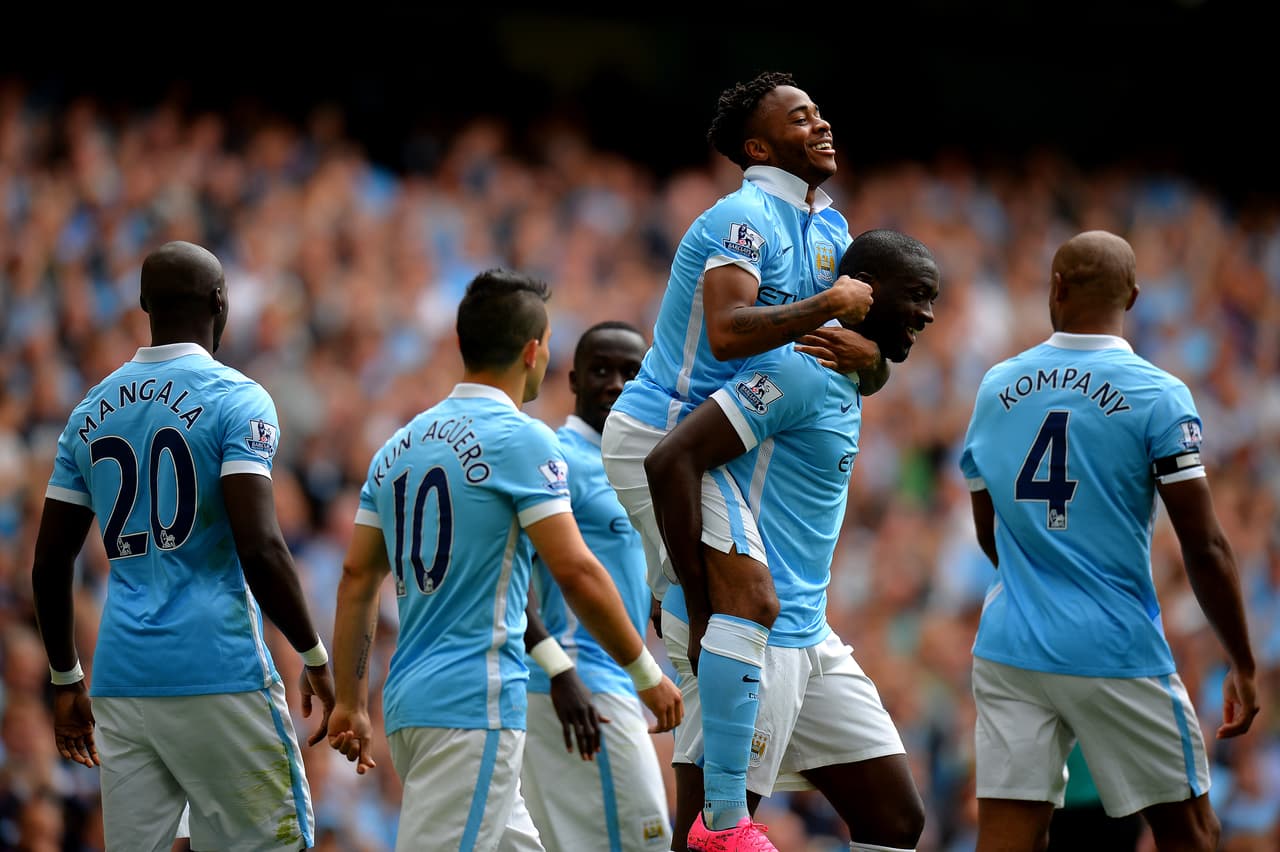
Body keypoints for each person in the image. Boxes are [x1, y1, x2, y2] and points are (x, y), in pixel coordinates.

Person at [602, 70, 883, 848]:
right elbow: (727, 332)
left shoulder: (830, 228)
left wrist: (872, 360)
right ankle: (723, 824)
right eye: (800, 118)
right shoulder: (742, 216)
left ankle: (716, 804)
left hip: (717, 444)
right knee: (748, 603)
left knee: (742, 609)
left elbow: (851, 357)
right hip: (665, 436)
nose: (821, 124)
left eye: (820, 112)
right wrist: (830, 305)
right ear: (758, 147)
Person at [326, 269, 682, 852]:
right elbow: (576, 571)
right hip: (475, 702)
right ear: (533, 352)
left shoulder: (397, 447)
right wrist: (647, 674)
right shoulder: (524, 440)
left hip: (412, 701)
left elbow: (357, 577)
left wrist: (350, 699)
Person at [958, 230, 1260, 852]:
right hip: (1114, 647)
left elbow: (989, 533)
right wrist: (1243, 662)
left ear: (1056, 288)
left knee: (1008, 837)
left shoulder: (995, 387)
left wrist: (1036, 585)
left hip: (1010, 644)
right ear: (1134, 297)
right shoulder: (1158, 395)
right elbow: (1204, 545)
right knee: (1192, 833)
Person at [30, 240, 336, 851]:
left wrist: (66, 679)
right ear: (220, 302)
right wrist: (314, 655)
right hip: (217, 667)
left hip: (121, 678)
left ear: (145, 304)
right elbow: (260, 545)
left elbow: (49, 562)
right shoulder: (237, 398)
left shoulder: (89, 411)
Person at [646, 230, 938, 852]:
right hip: (751, 637)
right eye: (917, 295)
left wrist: (875, 363)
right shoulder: (800, 366)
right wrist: (697, 602)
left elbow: (872, 367)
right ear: (867, 291)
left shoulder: (848, 367)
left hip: (810, 633)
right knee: (708, 840)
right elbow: (673, 459)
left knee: (896, 820)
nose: (927, 314)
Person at [520, 321, 673, 851]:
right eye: (601, 370)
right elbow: (508, 580)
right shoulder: (559, 459)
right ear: (574, 380)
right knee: (645, 841)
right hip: (580, 685)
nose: (616, 383)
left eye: (631, 372)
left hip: (612, 681)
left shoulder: (635, 467)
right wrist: (559, 672)